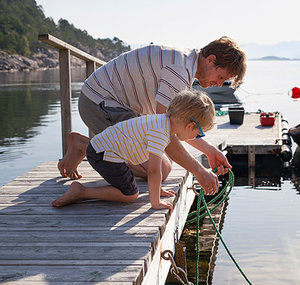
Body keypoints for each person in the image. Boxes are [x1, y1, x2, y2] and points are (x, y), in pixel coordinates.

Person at [58, 36, 246, 195]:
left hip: (109, 103)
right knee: (162, 169)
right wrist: (199, 171)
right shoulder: (179, 71)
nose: (220, 84)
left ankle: (92, 144)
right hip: (99, 104)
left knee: (167, 159)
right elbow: (166, 128)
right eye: (221, 77)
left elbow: (175, 126)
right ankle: (85, 146)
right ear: (210, 60)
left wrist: (209, 150)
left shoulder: (184, 61)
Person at [52, 90, 215, 208]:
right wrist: (156, 202)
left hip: (103, 149)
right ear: (190, 126)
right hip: (104, 155)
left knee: (130, 187)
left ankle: (82, 186)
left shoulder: (160, 122)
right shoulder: (161, 133)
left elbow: (152, 167)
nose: (196, 138)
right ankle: (81, 192)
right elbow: (153, 171)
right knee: (130, 195)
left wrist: (157, 188)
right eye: (199, 134)